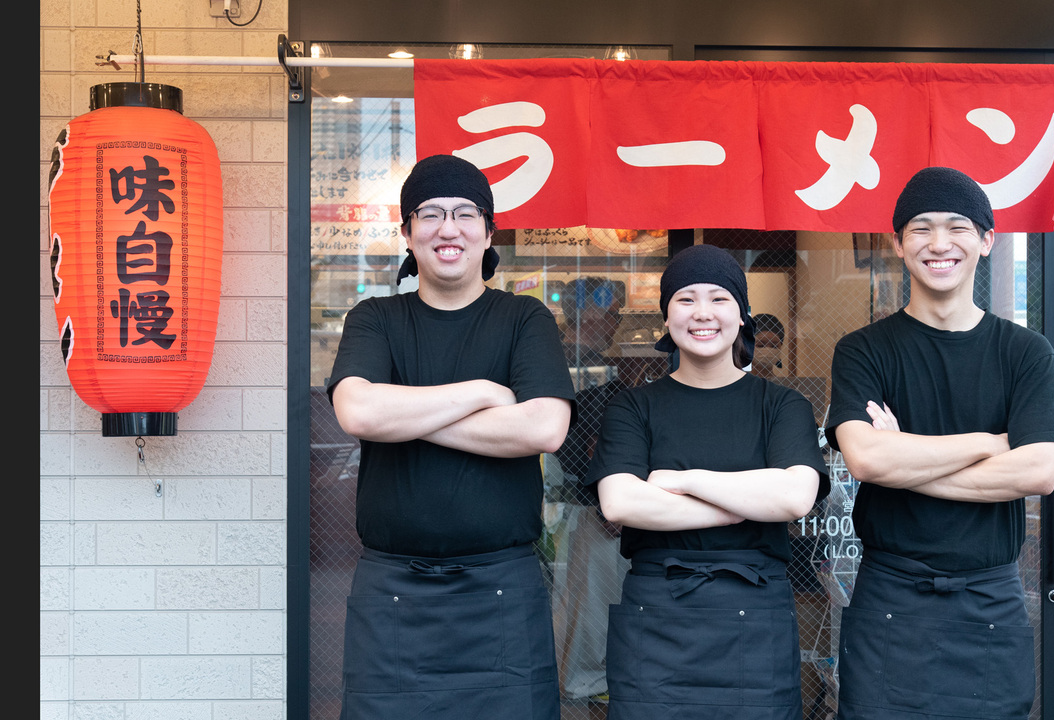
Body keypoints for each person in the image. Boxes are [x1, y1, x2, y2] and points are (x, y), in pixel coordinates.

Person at [328, 154, 575, 719]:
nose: (448, 228)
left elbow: (544, 426)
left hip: (502, 590)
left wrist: (406, 416)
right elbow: (359, 413)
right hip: (393, 592)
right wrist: (485, 392)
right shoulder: (374, 318)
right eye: (430, 213)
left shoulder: (524, 318)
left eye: (466, 213)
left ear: (488, 232)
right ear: (407, 232)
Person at [824, 167, 1054, 720]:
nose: (939, 243)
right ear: (898, 243)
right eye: (921, 228)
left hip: (989, 603)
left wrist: (906, 459)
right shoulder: (863, 351)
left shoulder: (1027, 353)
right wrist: (991, 442)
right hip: (890, 598)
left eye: (958, 227)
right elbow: (867, 459)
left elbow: (1037, 472)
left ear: (987, 241)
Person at [583, 244, 829, 719]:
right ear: (667, 316)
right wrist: (742, 504)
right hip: (657, 616)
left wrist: (685, 480)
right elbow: (620, 503)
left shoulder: (782, 406)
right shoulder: (632, 407)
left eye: (719, 298)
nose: (702, 313)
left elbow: (794, 496)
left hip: (755, 617)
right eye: (686, 299)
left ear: (742, 315)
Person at [551, 277, 632, 703]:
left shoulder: (600, 366)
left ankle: (587, 679)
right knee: (588, 601)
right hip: (583, 503)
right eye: (610, 313)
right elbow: (580, 442)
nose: (615, 322)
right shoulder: (568, 365)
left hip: (587, 501)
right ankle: (584, 681)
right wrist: (604, 499)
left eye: (616, 314)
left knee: (583, 599)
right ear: (584, 312)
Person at [750, 313, 786, 378]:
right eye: (760, 345)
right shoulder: (736, 382)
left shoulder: (782, 383)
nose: (768, 350)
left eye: (774, 346)